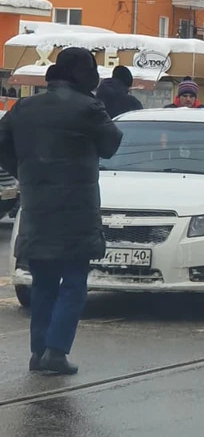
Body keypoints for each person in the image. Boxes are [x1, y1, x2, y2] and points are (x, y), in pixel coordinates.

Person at [0, 47, 122, 375]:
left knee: (43, 283)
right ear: (86, 75)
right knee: (73, 282)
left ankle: (38, 352)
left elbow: (3, 145)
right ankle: (56, 351)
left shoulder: (24, 107)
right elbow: (112, 144)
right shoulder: (89, 108)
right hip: (77, 212)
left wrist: (29, 171)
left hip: (37, 208)